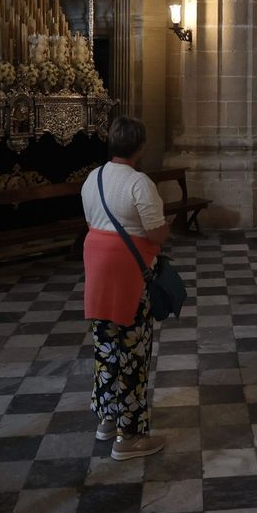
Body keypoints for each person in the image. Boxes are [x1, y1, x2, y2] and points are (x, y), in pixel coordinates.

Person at [81, 115, 170, 460]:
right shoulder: (139, 183)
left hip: (98, 274)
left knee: (105, 349)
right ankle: (129, 437)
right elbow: (155, 232)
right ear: (140, 146)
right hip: (129, 275)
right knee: (133, 354)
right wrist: (166, 230)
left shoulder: (93, 178)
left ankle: (107, 421)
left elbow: (92, 221)